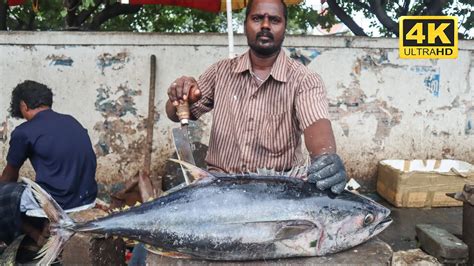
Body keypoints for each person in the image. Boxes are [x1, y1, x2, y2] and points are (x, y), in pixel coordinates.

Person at [166, 0, 347, 194]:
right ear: (245, 25)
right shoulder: (220, 72)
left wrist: (326, 162)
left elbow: (320, 139)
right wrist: (180, 93)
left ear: (285, 27)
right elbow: (174, 114)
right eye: (257, 18)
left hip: (278, 194)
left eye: (275, 20)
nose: (265, 25)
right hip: (220, 192)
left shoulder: (304, 80)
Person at [0, 80, 98, 246]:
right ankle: (41, 231)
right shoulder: (71, 121)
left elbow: (10, 174)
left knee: (6, 195)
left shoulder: (24, 131)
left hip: (60, 203)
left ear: (23, 105)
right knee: (25, 193)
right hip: (87, 198)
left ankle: (34, 237)